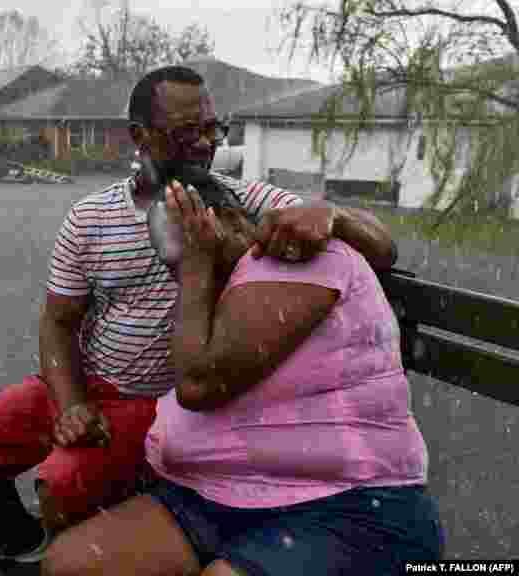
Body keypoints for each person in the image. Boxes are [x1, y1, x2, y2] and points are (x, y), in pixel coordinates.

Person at [0, 65, 400, 575]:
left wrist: (334, 215)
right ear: (139, 136)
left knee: (60, 487)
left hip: (150, 403)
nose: (204, 144)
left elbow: (383, 246)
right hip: (81, 383)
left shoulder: (238, 200)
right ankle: (19, 533)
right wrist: (69, 402)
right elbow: (58, 323)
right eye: (186, 132)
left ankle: (72, 537)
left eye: (212, 130)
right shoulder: (90, 218)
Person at [39, 104, 441, 576]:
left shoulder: (290, 253)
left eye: (196, 243)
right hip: (212, 496)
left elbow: (199, 384)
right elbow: (60, 320)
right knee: (69, 565)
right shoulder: (206, 272)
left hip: (343, 502)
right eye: (172, 260)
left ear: (233, 219)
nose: (187, 266)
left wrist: (332, 215)